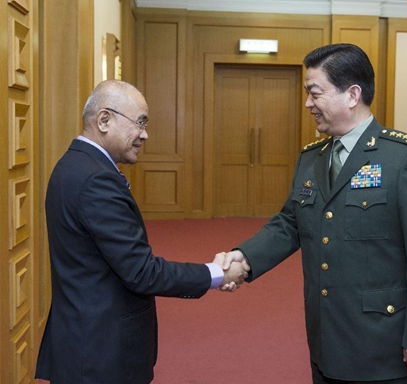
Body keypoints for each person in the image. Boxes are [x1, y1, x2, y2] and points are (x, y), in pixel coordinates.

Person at [221, 44, 407, 383]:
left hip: (385, 343)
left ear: (352, 95)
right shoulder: (312, 157)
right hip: (327, 337)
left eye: (315, 93)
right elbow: (290, 223)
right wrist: (243, 257)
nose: (307, 104)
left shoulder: (406, 157)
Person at [35, 80, 249, 384]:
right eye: (140, 123)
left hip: (84, 337)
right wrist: (216, 273)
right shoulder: (95, 178)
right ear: (105, 120)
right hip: (99, 353)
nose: (145, 134)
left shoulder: (74, 165)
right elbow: (141, 272)